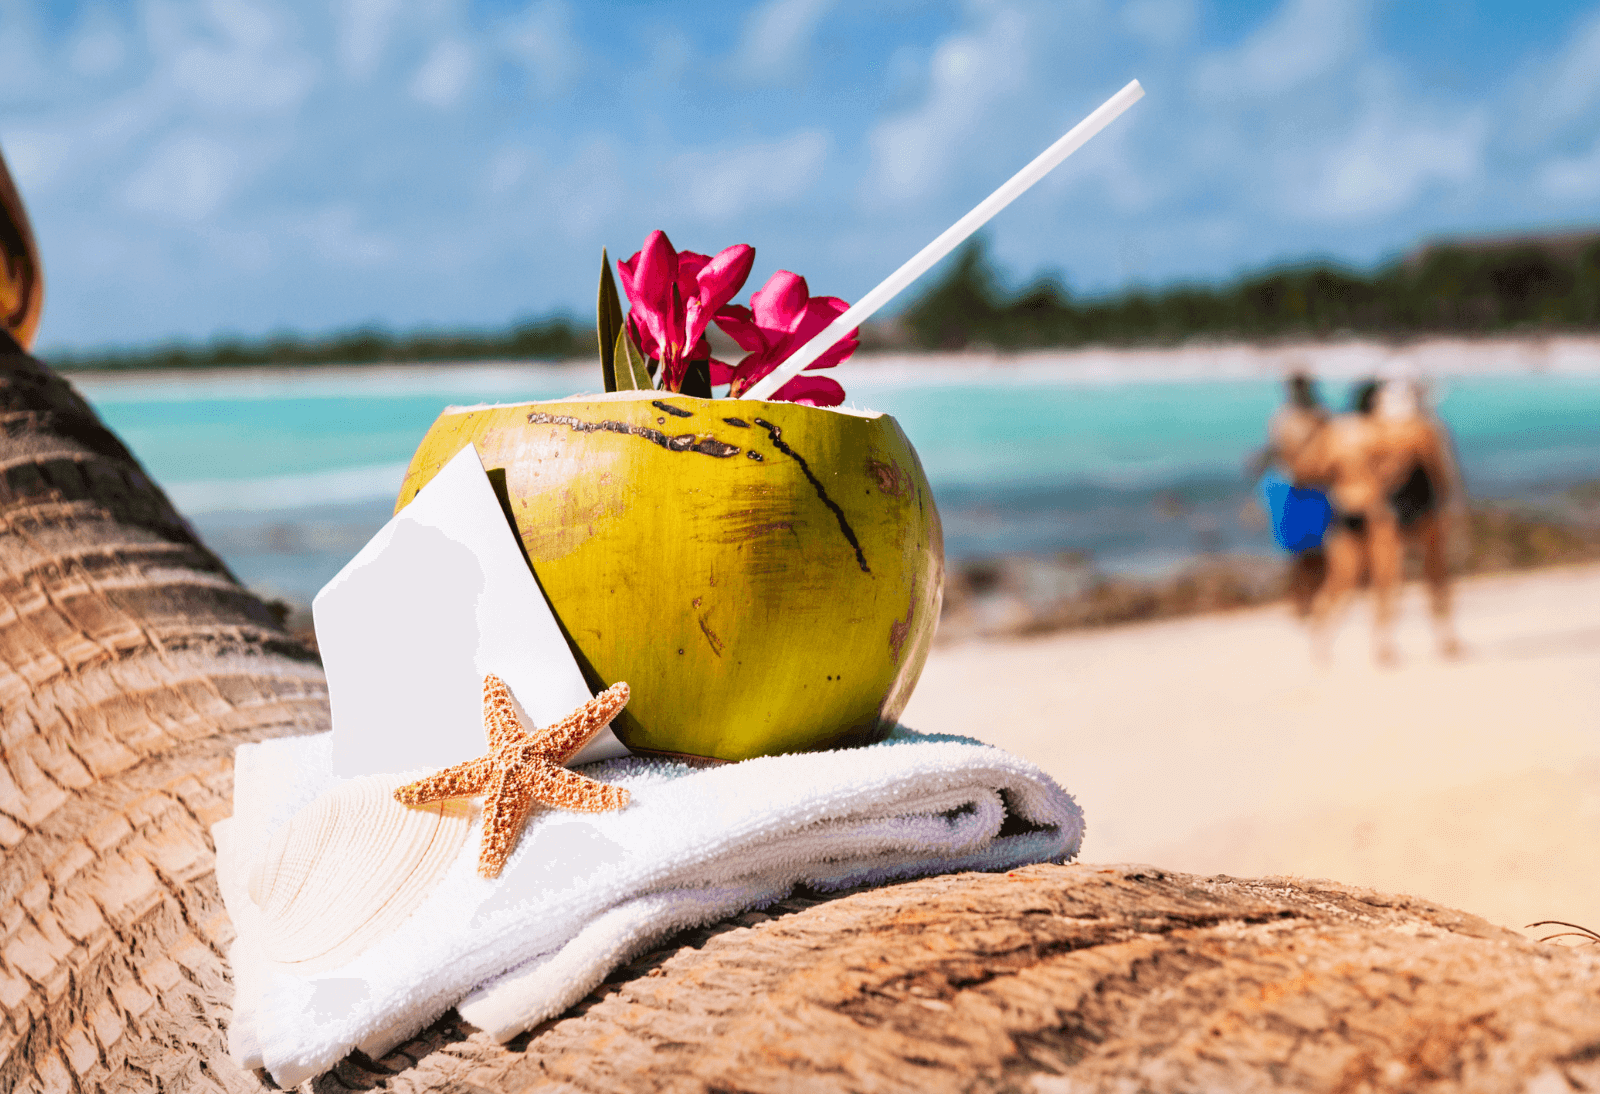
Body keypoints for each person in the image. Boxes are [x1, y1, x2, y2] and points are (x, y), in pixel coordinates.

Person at [1290, 379, 1403, 663]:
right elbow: (1398, 466)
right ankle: (1382, 643)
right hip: (1374, 508)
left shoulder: (1336, 431)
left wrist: (1341, 474)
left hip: (1342, 505)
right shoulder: (1380, 430)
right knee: (1384, 579)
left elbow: (1308, 468)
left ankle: (1320, 641)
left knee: (1341, 580)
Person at [1376, 379, 1463, 658]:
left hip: (1389, 507)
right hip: (1424, 505)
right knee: (1435, 572)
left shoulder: (1378, 431)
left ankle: (1383, 640)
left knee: (1389, 576)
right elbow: (1439, 472)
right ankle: (1444, 636)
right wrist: (1449, 504)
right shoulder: (1424, 430)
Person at [1250, 372, 1333, 617]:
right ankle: (1302, 600)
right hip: (1294, 488)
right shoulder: (1286, 418)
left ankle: (1315, 599)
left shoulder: (1319, 416)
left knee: (1318, 549)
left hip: (1314, 487)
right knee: (1298, 551)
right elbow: (1275, 449)